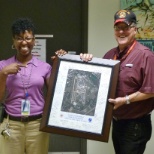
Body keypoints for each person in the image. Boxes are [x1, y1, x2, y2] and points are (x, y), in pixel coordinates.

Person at [80, 9, 154, 154]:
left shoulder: (146, 56)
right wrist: (85, 62)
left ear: (135, 29)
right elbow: (96, 84)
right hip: (116, 122)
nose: (121, 32)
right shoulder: (109, 55)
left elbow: (151, 91)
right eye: (117, 28)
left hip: (135, 125)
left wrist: (125, 100)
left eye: (125, 28)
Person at [0, 17, 66, 154]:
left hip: (37, 126)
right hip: (11, 125)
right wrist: (3, 74)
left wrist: (60, 65)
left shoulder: (44, 67)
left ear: (34, 40)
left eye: (28, 38)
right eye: (19, 38)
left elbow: (55, 94)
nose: (24, 42)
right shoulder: (3, 65)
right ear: (13, 41)